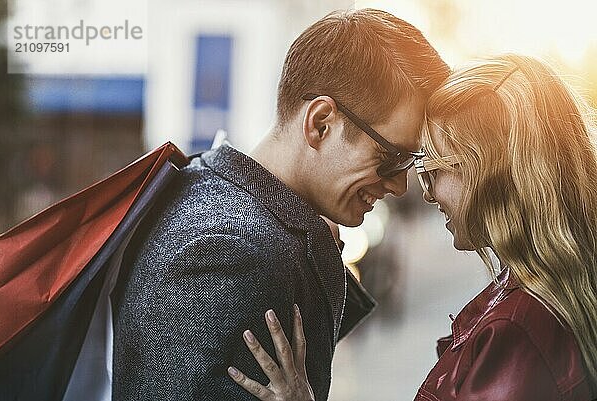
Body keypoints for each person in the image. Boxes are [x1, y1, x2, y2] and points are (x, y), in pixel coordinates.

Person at [112, 8, 449, 401]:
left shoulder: (213, 190)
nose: (399, 185)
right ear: (320, 123)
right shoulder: (235, 253)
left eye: (411, 163)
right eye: (391, 158)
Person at [229, 54, 597, 400]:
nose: (429, 191)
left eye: (434, 168)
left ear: (491, 170)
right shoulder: (537, 296)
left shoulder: (518, 333)